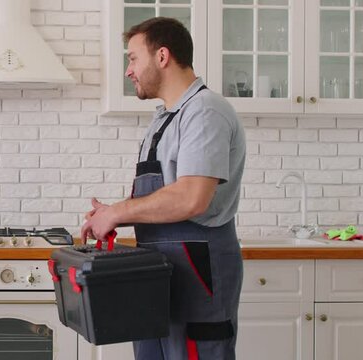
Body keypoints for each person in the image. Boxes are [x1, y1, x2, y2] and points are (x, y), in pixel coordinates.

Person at [81, 17, 246, 360]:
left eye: (133, 58)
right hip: (160, 277)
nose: (129, 70)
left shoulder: (205, 111)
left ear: (162, 56)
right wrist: (112, 215)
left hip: (199, 274)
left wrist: (117, 212)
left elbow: (191, 198)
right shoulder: (164, 117)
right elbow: (164, 196)